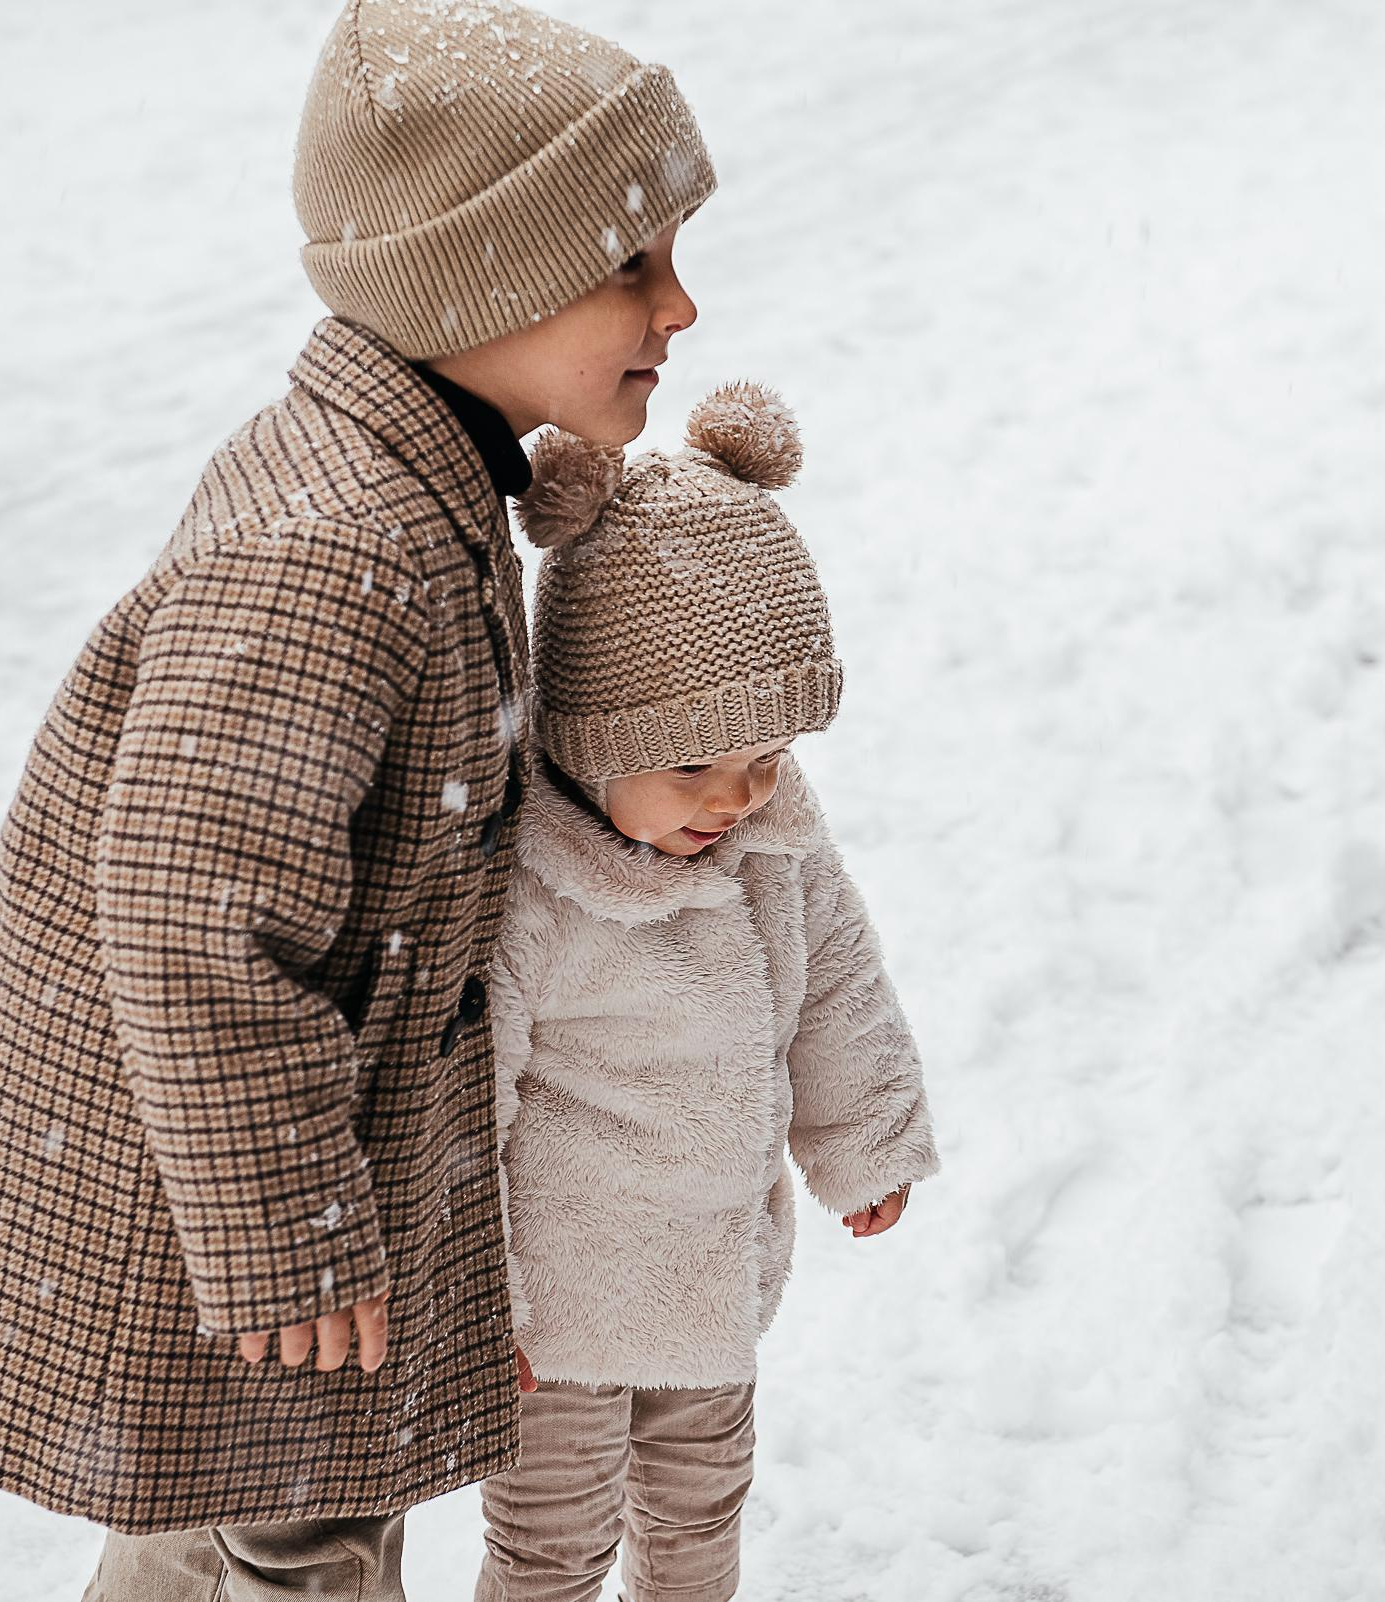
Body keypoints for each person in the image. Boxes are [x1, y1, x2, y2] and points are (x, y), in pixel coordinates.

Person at [0, 3, 713, 1596]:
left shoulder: (410, 479)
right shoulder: (336, 552)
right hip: (210, 1188)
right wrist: (282, 1220)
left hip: (256, 1154)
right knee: (294, 1528)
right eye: (631, 263)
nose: (680, 304)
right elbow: (194, 905)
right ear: (478, 278)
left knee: (259, 1506)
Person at [477, 385, 940, 1602]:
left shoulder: (776, 845)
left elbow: (838, 990)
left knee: (699, 1519)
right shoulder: (530, 886)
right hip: (555, 1319)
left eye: (767, 758)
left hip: (712, 1275)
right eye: (691, 764)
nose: (734, 798)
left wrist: (865, 1143)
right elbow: (462, 1097)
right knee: (549, 1548)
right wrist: (481, 1294)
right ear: (586, 732)